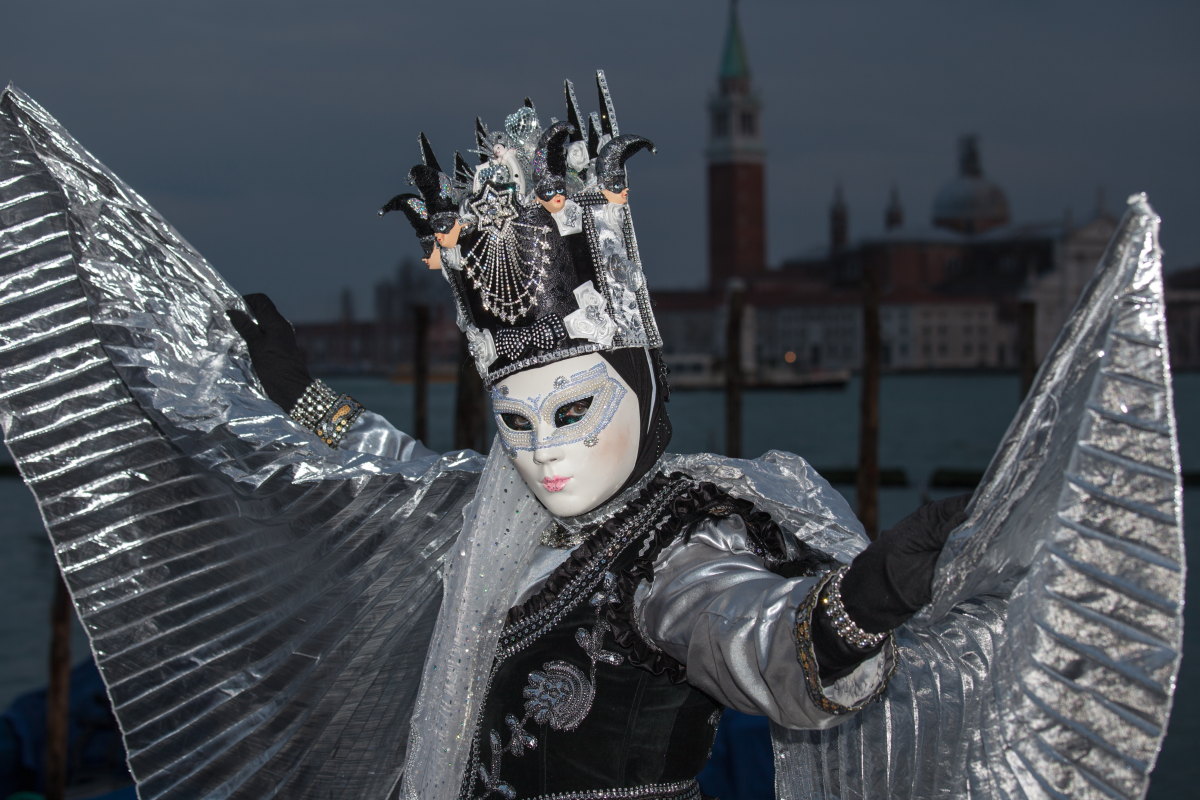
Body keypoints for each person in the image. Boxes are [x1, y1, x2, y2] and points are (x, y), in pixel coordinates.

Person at [0, 79, 1184, 800]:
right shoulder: (498, 524)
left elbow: (752, 637)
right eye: (515, 421)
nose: (545, 452)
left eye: (571, 412)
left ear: (640, 385)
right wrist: (295, 396)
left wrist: (858, 601)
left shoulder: (682, 541)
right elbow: (380, 469)